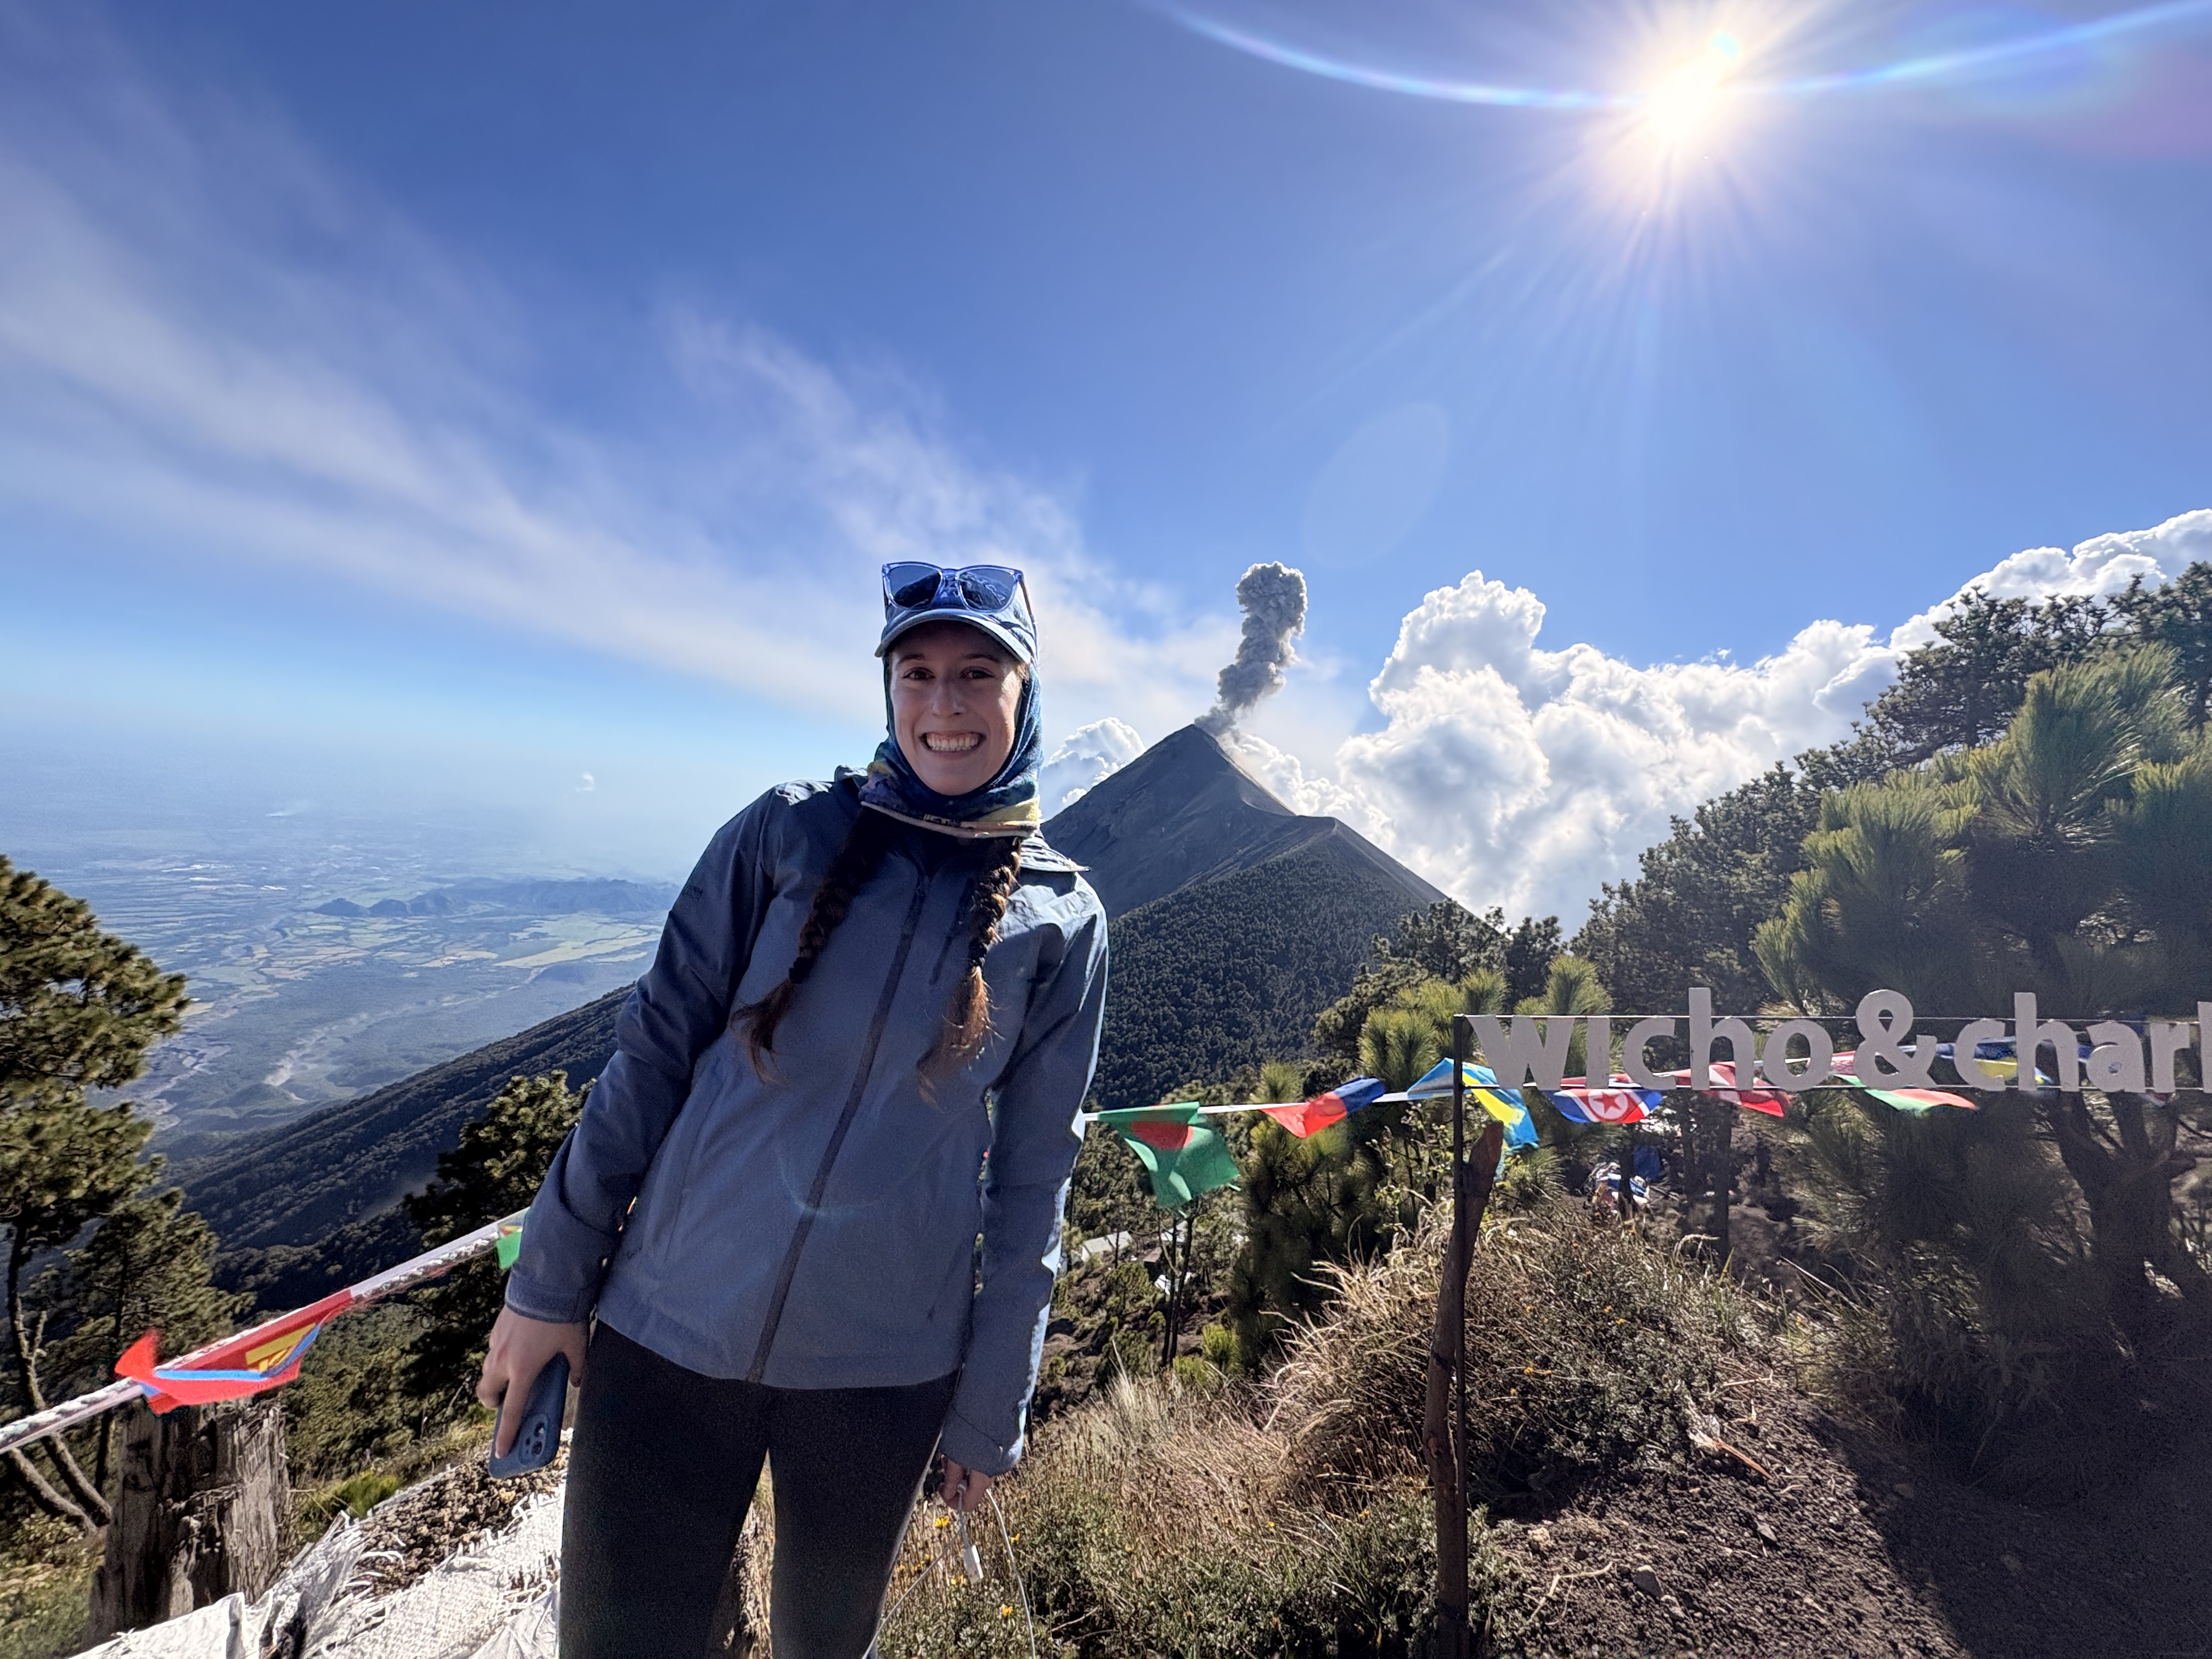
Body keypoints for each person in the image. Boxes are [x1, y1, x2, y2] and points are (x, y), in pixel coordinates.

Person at [477, 562, 1109, 1658]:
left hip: (884, 1379)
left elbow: (1033, 1183)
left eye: (977, 674)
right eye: (917, 673)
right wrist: (546, 1287)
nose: (943, 706)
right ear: (887, 689)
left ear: (1026, 693)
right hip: (665, 1334)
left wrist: (991, 1403)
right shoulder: (782, 835)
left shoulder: (1065, 921)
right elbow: (650, 1056)